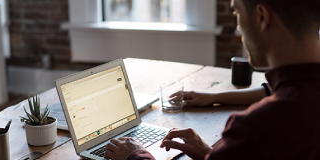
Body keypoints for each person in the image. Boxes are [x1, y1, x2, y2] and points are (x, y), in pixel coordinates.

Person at [104, 0, 320, 159]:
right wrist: (211, 154)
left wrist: (137, 155)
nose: (238, 29)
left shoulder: (257, 128)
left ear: (262, 17)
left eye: (236, 12)